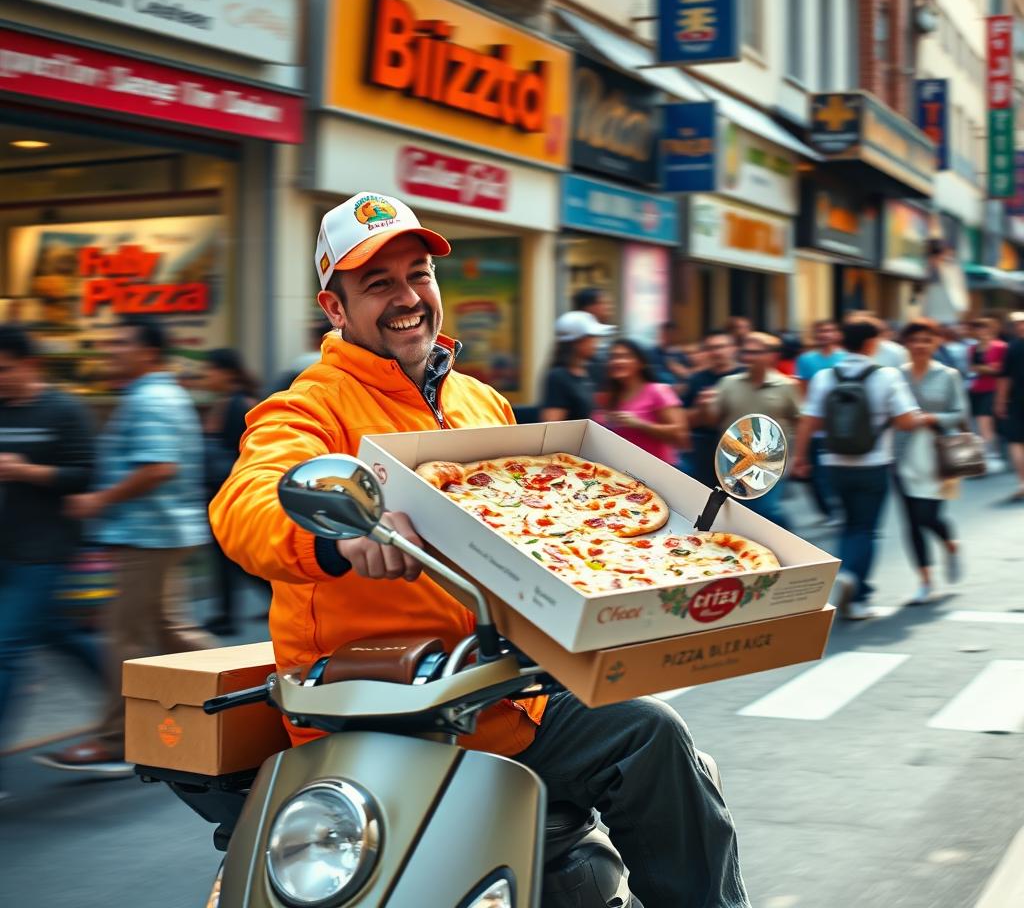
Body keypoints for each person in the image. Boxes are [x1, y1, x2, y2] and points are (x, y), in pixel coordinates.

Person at [208, 192, 750, 907]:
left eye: (419, 275)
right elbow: (246, 506)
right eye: (378, 284)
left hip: (502, 696)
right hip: (383, 710)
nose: (408, 298)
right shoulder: (307, 407)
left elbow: (539, 524)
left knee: (654, 734)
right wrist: (341, 538)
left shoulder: (482, 402)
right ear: (334, 309)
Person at [37, 319, 214, 775]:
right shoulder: (158, 393)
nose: (111, 350)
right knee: (170, 632)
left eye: (121, 342)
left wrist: (98, 499)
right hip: (158, 533)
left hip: (147, 535)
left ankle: (116, 740)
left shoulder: (151, 398)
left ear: (148, 351)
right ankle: (245, 693)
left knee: (124, 637)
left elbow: (158, 467)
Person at [0, 326, 99, 797]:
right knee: (57, 634)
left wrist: (26, 471)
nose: (0, 379)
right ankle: (130, 691)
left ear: (30, 364)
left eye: (5, 369)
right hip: (6, 548)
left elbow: (83, 474)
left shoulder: (63, 410)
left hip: (46, 550)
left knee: (6, 650)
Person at [793, 317, 920, 620]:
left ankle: (850, 581)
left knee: (848, 524)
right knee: (866, 528)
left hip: (834, 463)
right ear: (871, 343)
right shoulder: (887, 375)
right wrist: (918, 417)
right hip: (873, 463)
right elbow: (906, 421)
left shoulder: (825, 376)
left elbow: (810, 421)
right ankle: (855, 584)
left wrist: (800, 457)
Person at [893, 320, 967, 605]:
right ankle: (925, 581)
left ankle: (950, 544)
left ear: (935, 342)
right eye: (915, 340)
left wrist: (931, 418)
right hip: (902, 455)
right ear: (906, 344)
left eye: (926, 340)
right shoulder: (895, 375)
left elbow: (960, 414)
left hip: (938, 455)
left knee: (928, 516)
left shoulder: (948, 375)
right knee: (911, 521)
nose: (920, 345)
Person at [712, 332, 801, 529]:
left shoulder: (787, 385)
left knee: (768, 509)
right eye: (746, 352)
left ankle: (789, 536)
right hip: (733, 461)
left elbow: (799, 421)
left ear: (771, 355)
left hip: (772, 463)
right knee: (745, 512)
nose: (749, 357)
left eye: (756, 352)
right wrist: (704, 407)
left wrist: (799, 457)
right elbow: (713, 418)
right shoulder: (728, 383)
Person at [201, 348, 261, 636]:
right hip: (218, 489)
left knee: (233, 556)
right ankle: (227, 613)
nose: (206, 377)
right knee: (230, 557)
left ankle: (228, 616)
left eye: (210, 370)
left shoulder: (241, 405)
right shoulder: (224, 403)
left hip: (233, 489)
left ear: (226, 372)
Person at [595, 338, 689, 464]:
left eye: (624, 356)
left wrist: (639, 424)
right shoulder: (611, 396)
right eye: (613, 357)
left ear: (641, 363)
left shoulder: (658, 391)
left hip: (658, 471)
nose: (616, 361)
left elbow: (680, 435)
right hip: (624, 470)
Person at [795, 320, 846, 524]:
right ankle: (828, 511)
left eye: (830, 330)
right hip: (815, 426)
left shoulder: (845, 357)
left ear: (837, 334)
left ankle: (842, 507)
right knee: (815, 473)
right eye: (821, 331)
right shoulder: (806, 359)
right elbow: (803, 390)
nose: (825, 334)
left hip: (841, 425)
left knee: (839, 471)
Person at [684, 331, 743, 487]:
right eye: (711, 348)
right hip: (704, 447)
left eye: (721, 347)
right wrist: (702, 408)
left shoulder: (745, 376)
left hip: (740, 448)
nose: (716, 352)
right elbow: (684, 418)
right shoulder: (697, 379)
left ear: (734, 348)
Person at [539, 311, 613, 422]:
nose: (596, 342)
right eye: (592, 337)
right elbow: (552, 426)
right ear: (576, 342)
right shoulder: (558, 377)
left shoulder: (590, 372)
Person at [968, 315, 1008, 471]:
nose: (981, 331)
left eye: (984, 327)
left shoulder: (1000, 347)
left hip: (994, 389)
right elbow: (971, 368)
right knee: (979, 425)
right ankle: (989, 455)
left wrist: (984, 368)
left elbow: (1000, 369)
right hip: (976, 388)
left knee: (986, 423)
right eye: (977, 328)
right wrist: (986, 368)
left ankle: (991, 456)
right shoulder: (972, 348)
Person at [995, 310, 1024, 502]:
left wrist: (1000, 402)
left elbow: (1005, 379)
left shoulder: (1012, 347)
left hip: (1017, 401)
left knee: (1016, 443)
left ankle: (1023, 483)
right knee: (1016, 443)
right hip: (1016, 401)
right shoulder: (1011, 347)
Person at [649, 321, 693, 397]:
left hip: (678, 392)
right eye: (665, 333)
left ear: (676, 335)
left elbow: (689, 376)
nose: (667, 337)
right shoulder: (651, 353)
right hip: (657, 391)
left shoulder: (682, 355)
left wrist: (682, 380)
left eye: (671, 334)